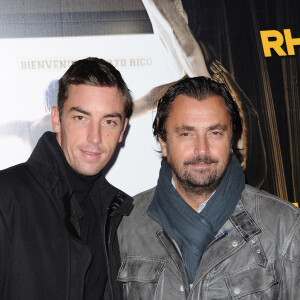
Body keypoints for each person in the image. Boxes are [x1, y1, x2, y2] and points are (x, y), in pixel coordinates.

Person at [118, 76, 300, 299]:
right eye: (187, 133)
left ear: (231, 140)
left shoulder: (284, 227)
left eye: (215, 133)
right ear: (164, 143)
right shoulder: (125, 226)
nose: (201, 149)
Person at [0, 57, 134, 300]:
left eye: (109, 121)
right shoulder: (7, 196)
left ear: (122, 131)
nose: (95, 137)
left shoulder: (120, 214)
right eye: (81, 118)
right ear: (56, 119)